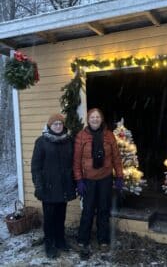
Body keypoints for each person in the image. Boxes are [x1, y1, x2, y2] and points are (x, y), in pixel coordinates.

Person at [73, 108, 123, 257]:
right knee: (87, 210)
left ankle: (103, 240)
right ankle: (83, 239)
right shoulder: (81, 136)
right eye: (92, 117)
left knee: (103, 210)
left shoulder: (109, 135)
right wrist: (79, 180)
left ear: (101, 119)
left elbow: (116, 157)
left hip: (105, 179)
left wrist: (119, 176)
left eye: (97, 117)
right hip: (88, 180)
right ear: (88, 120)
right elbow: (76, 161)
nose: (95, 119)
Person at [31, 113, 76, 259]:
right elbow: (36, 166)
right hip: (48, 187)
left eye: (60, 124)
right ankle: (49, 245)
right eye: (55, 124)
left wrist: (73, 182)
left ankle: (60, 241)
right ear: (50, 126)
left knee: (60, 216)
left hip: (63, 186)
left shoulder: (69, 141)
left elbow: (73, 164)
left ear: (64, 125)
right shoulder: (41, 142)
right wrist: (39, 185)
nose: (58, 126)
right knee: (49, 218)